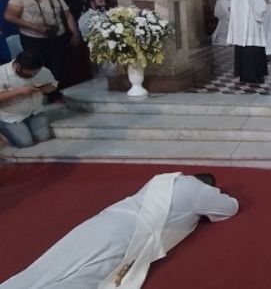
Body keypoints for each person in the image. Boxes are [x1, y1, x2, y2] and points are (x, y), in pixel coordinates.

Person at [0, 172, 238, 289]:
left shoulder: (162, 179)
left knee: (52, 263)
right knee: (86, 277)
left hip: (103, 220)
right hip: (128, 234)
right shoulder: (198, 190)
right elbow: (230, 208)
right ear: (207, 186)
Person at [4, 0, 81, 101]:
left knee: (59, 68)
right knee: (40, 68)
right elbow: (9, 16)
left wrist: (75, 32)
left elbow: (67, 14)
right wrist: (34, 26)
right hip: (34, 39)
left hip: (57, 37)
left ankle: (56, 96)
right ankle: (40, 97)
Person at [0, 50, 57, 148]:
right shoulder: (2, 73)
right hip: (10, 117)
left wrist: (40, 89)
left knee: (43, 137)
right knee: (25, 143)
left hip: (34, 112)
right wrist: (18, 92)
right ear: (17, 66)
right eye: (29, 74)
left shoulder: (42, 70)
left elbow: (53, 85)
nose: (32, 76)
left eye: (35, 73)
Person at [227, 0, 269, 84]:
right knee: (253, 49)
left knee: (242, 49)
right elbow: (260, 9)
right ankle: (254, 76)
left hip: (239, 27)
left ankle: (243, 75)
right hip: (252, 26)